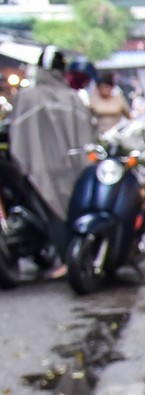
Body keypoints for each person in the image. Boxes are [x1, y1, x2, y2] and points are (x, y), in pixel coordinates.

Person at [11, 52, 93, 276]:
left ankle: (69, 260)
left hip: (40, 169)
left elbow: (16, 135)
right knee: (69, 211)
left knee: (55, 214)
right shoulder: (73, 98)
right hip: (71, 167)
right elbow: (87, 136)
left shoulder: (27, 97)